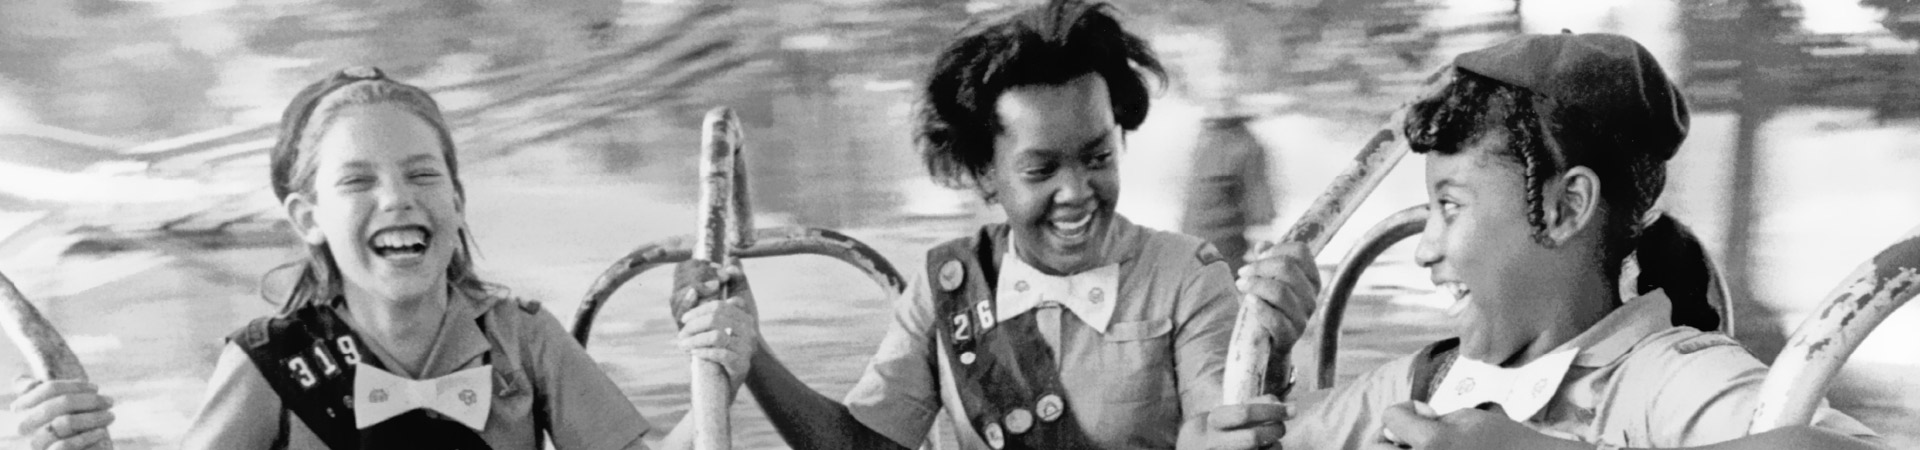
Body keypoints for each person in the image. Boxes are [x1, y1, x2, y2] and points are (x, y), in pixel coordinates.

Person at [672, 2, 1323, 449]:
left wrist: (1265, 358)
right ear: (986, 174)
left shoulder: (1188, 276)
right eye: (1041, 170)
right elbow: (864, 444)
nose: (1077, 193)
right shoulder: (946, 284)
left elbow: (1219, 424)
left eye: (1098, 157)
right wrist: (751, 352)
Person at [2, 67, 736, 449]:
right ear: (308, 219)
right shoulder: (265, 367)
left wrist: (720, 376)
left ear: (457, 200)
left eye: (422, 175)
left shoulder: (525, 341)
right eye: (358, 181)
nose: (397, 199)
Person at [1278, 33, 1886, 450]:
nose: (1424, 248)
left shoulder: (1667, 380)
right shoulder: (1419, 383)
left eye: (1451, 207)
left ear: (1566, 207)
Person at [1181, 104, 1278, 274]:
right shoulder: (1246, 145)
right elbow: (1261, 208)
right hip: (1225, 249)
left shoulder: (1203, 140)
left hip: (1196, 247)